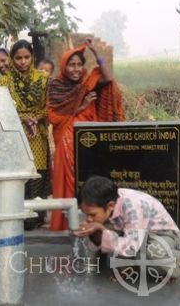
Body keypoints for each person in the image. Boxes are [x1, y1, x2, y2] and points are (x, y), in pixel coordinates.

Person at [48, 40, 124, 231]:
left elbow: (108, 78)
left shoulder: (88, 82)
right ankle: (68, 225)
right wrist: (80, 107)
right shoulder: (57, 86)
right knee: (71, 182)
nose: (75, 69)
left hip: (89, 140)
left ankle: (90, 222)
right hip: (67, 138)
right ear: (64, 66)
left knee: (89, 180)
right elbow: (53, 116)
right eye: (71, 65)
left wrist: (97, 53)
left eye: (79, 64)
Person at [74, 176, 180, 279]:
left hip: (161, 234)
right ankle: (135, 266)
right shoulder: (106, 203)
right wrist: (96, 231)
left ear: (110, 206)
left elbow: (132, 247)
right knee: (116, 255)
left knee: (152, 253)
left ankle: (178, 259)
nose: (88, 219)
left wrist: (102, 230)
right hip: (134, 233)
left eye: (92, 215)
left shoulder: (134, 207)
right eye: (86, 214)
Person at [0, 40, 49, 229]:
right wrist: (23, 118)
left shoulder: (43, 79)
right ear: (12, 59)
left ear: (32, 58)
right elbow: (1, 110)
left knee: (37, 175)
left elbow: (49, 107)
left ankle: (37, 219)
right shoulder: (5, 81)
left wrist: (35, 118)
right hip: (15, 137)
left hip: (37, 136)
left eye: (26, 57)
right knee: (19, 178)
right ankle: (19, 222)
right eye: (18, 58)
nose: (23, 62)